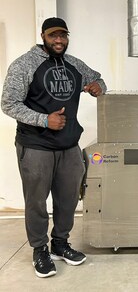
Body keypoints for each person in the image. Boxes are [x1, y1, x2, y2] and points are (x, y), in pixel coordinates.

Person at [1, 17, 107, 278]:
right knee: (36, 202)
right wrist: (44, 120)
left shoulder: (73, 64)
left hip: (69, 145)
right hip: (35, 146)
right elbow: (8, 103)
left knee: (69, 199)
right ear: (43, 36)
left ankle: (60, 243)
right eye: (53, 36)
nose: (59, 40)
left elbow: (99, 79)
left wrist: (97, 87)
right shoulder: (24, 64)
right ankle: (40, 249)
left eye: (63, 36)